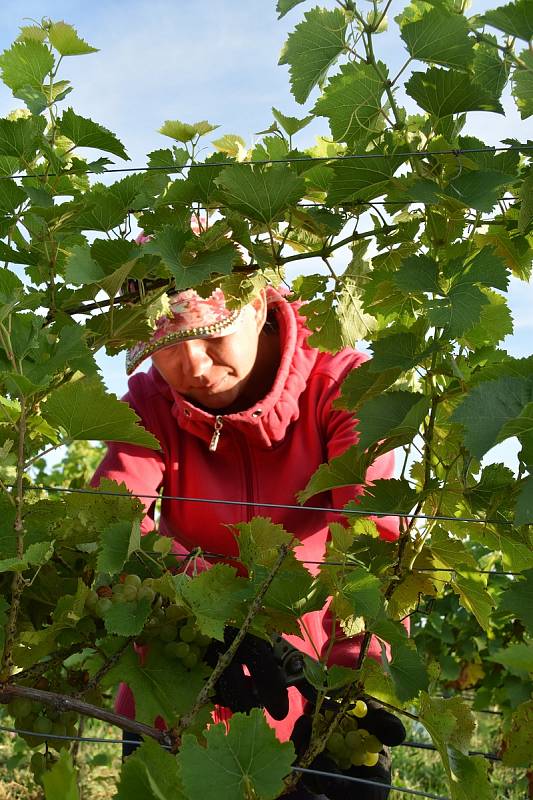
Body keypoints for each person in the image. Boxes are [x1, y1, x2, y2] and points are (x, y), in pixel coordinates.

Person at [92, 283, 403, 797]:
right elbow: (112, 526)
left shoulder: (344, 385)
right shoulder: (149, 404)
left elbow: (374, 533)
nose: (192, 366)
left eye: (212, 334)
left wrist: (355, 674)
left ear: (256, 307)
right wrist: (203, 624)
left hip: (308, 686)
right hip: (178, 689)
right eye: (165, 346)